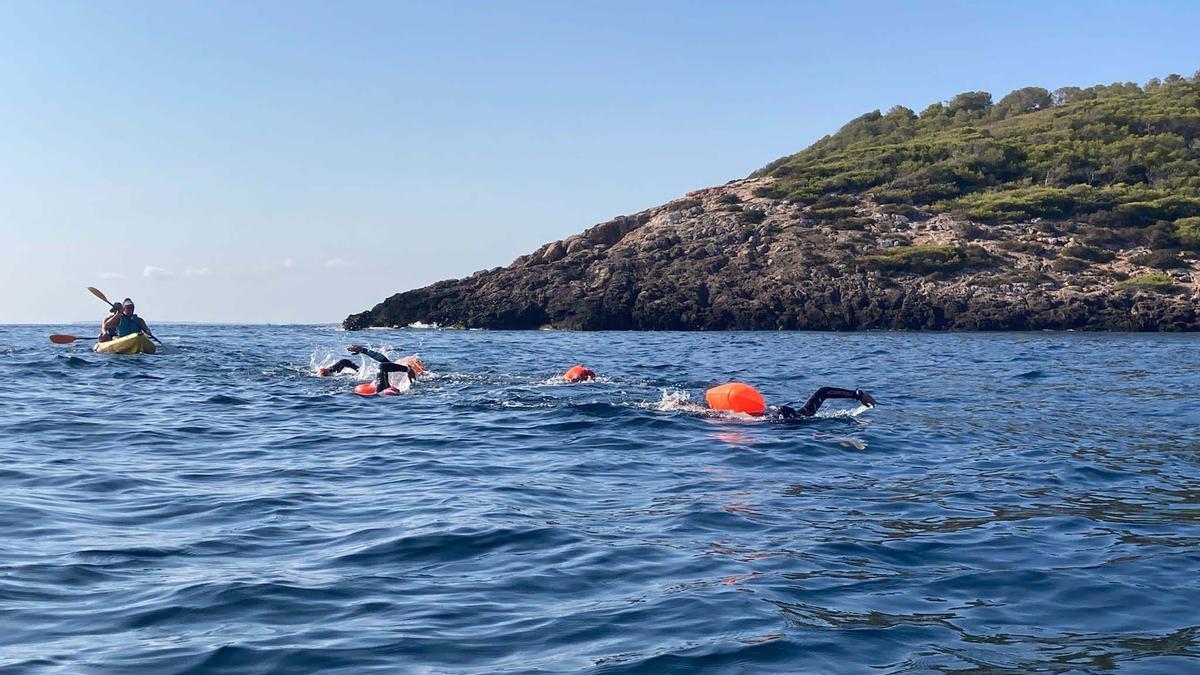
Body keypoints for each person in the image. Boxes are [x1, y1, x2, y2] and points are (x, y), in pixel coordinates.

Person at [706, 382, 875, 419]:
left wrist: (858, 394)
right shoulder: (803, 415)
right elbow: (823, 392)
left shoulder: (758, 418)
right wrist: (857, 394)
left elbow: (823, 392)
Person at [319, 345, 425, 394]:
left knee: (382, 368)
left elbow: (384, 363)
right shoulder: (397, 365)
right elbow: (383, 361)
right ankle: (328, 371)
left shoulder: (415, 373)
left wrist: (363, 350)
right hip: (374, 383)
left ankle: (327, 372)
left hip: (382, 386)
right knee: (344, 362)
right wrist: (363, 350)